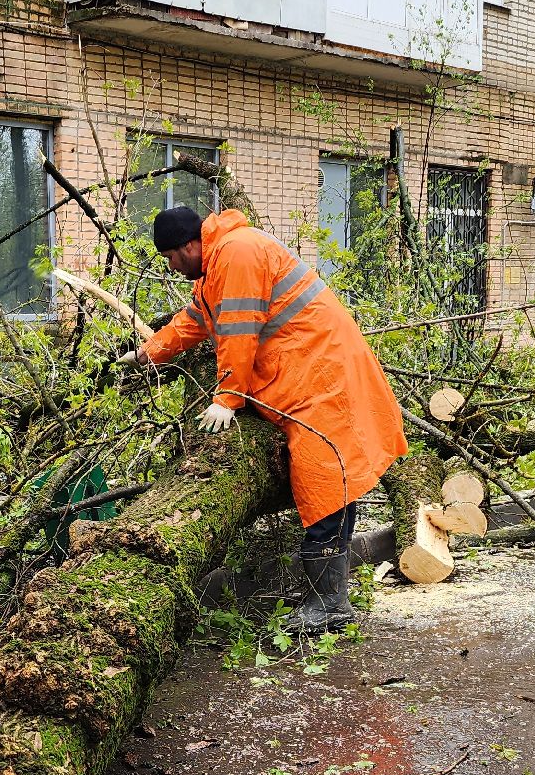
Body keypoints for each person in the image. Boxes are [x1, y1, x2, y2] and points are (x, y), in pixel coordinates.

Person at [118, 205, 407, 634]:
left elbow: (238, 330)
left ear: (189, 246)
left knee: (323, 478)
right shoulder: (217, 264)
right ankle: (330, 596)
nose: (171, 266)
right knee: (330, 477)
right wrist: (149, 353)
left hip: (320, 373)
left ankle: (330, 602)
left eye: (171, 258)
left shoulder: (237, 253)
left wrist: (228, 398)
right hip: (308, 370)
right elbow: (197, 320)